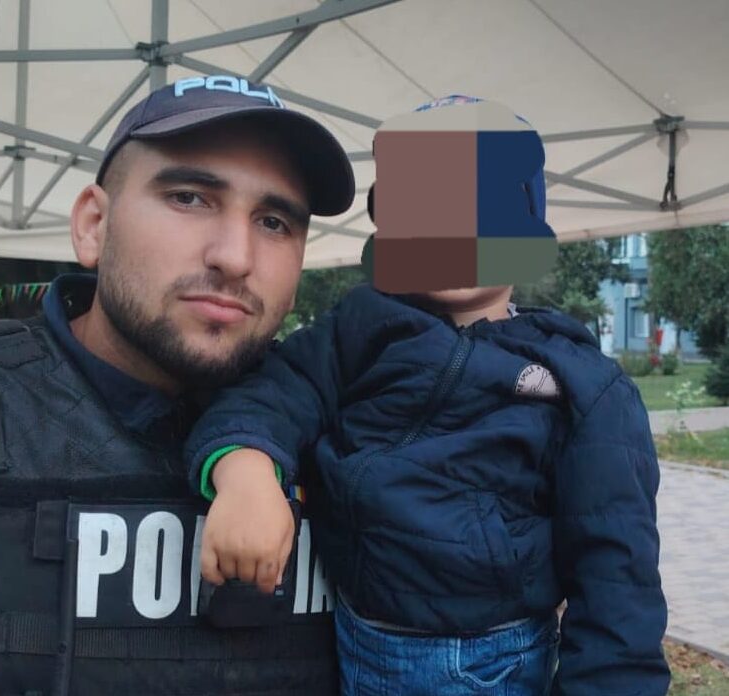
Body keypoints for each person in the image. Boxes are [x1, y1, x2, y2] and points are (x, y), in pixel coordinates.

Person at [0, 76, 354, 695]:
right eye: (189, 198)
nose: (235, 257)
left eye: (275, 222)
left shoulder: (359, 439)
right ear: (94, 224)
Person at [185, 98, 670, 695]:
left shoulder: (581, 380)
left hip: (487, 666)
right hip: (345, 635)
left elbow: (617, 574)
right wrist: (246, 469)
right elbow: (274, 393)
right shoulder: (358, 329)